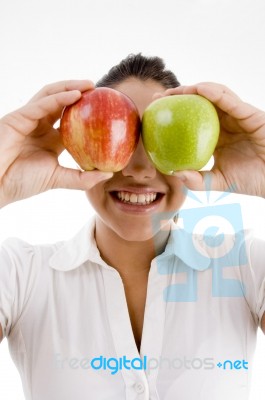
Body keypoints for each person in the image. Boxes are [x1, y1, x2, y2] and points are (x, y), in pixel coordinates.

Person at [0, 53, 265, 400]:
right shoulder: (19, 274)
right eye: (121, 135)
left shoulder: (245, 265)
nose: (139, 170)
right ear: (77, 143)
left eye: (157, 139)